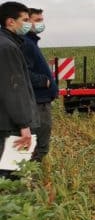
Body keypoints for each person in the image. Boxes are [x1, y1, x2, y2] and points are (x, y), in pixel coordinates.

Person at [0, 2, 39, 177]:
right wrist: (24, 125)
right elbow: (13, 89)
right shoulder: (8, 48)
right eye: (24, 20)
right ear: (10, 22)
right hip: (9, 124)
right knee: (10, 171)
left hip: (6, 120)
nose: (28, 24)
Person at [21, 8, 58, 162]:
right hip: (37, 101)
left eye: (42, 20)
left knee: (37, 142)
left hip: (40, 100)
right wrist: (43, 81)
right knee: (37, 143)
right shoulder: (26, 43)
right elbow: (20, 72)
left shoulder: (31, 42)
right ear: (26, 22)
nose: (41, 24)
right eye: (37, 20)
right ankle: (28, 176)